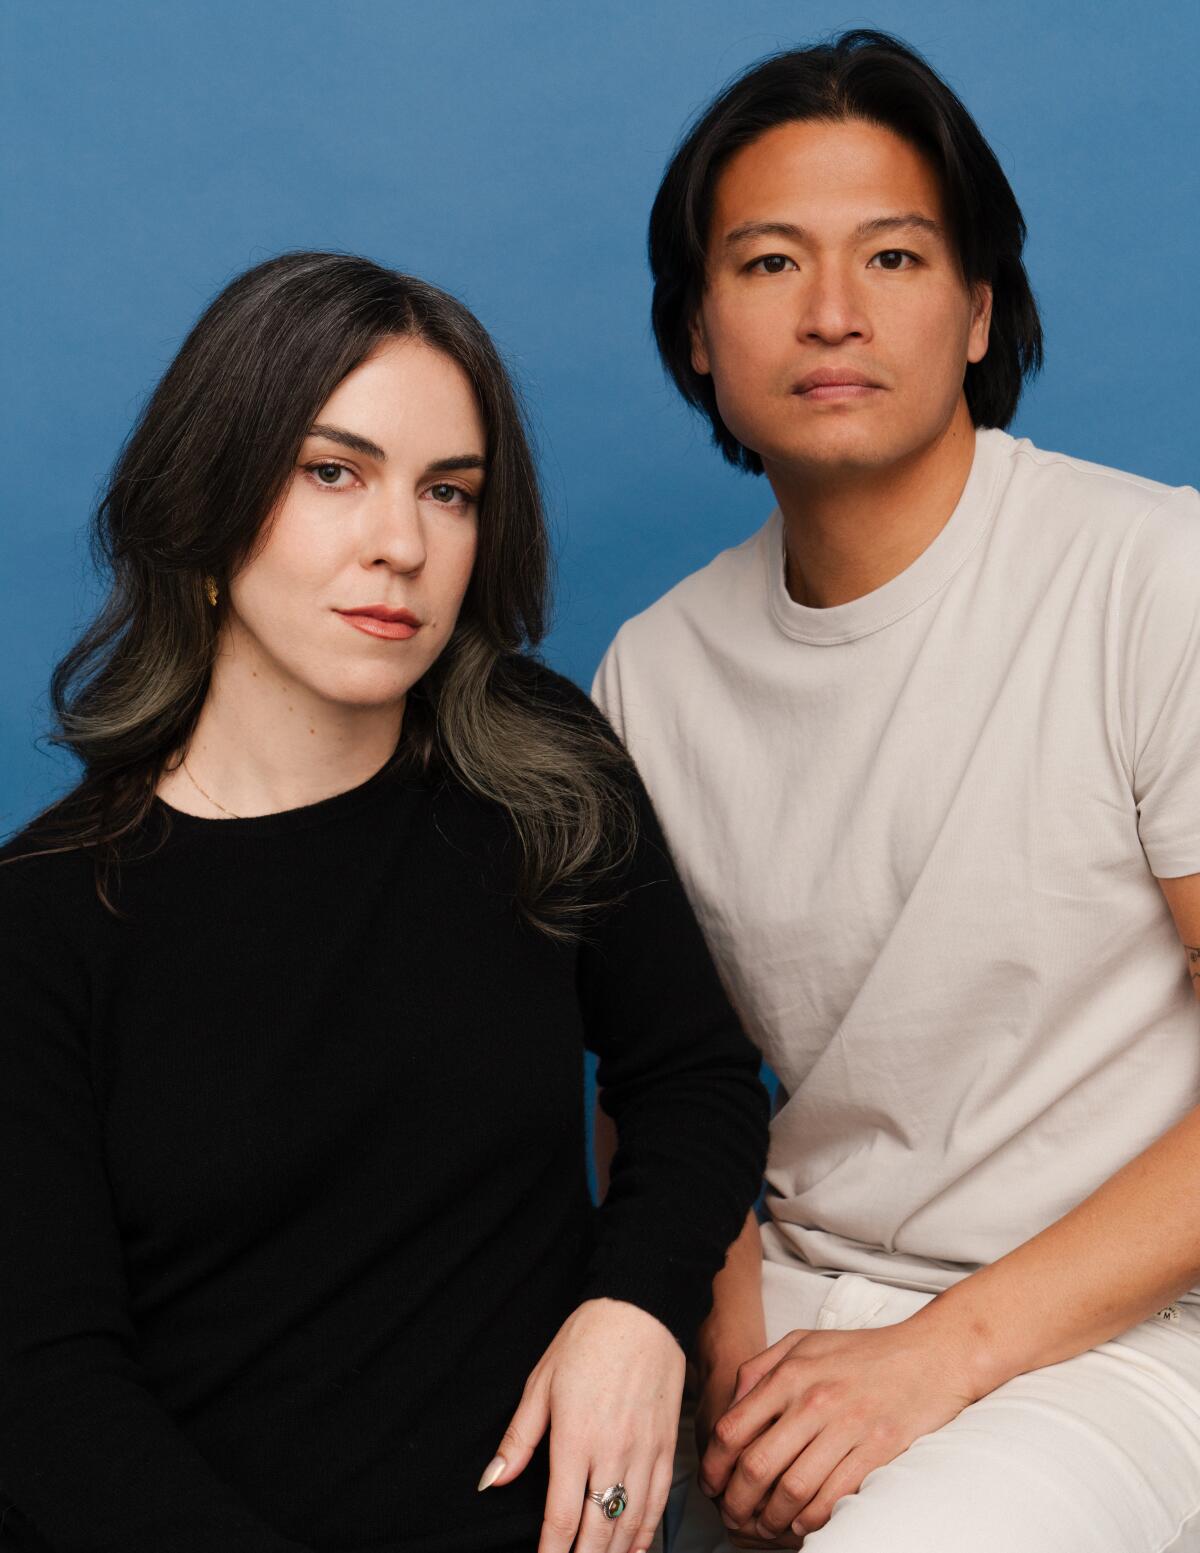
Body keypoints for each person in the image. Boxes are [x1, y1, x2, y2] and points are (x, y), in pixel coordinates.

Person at [0, 251, 770, 1553]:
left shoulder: (532, 755)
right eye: (332, 472)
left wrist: (634, 1309)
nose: (402, 543)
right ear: (208, 492)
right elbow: (47, 1395)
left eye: (450, 492)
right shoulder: (46, 916)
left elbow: (694, 1074)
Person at [592, 29, 1200, 1553]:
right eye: (771, 263)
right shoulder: (650, 674)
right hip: (798, 1304)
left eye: (898, 256)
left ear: (981, 310)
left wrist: (938, 1358)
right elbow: (666, 1079)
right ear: (694, 337)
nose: (836, 313)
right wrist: (728, 1357)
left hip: (1125, 1325)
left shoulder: (1150, 577)